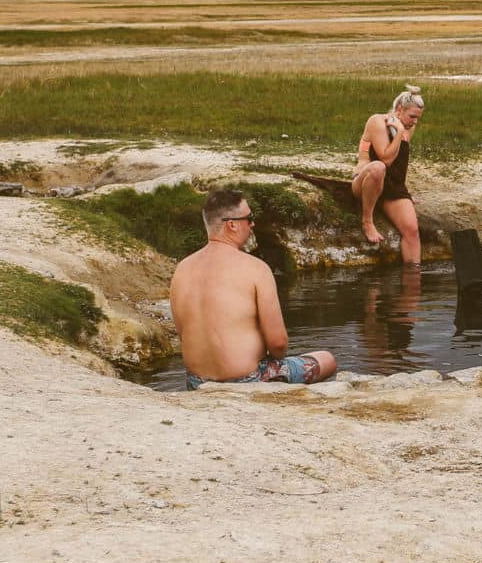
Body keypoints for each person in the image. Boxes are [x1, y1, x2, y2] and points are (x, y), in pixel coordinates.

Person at [169, 189, 337, 389]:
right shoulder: (256, 268)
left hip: (197, 382)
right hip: (248, 381)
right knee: (326, 359)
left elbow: (183, 335)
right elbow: (278, 345)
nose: (253, 224)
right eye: (249, 218)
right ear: (231, 224)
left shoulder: (182, 269)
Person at [352, 85, 425, 264]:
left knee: (412, 231)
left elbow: (400, 163)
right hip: (367, 181)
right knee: (378, 168)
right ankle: (367, 221)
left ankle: (412, 281)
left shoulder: (409, 126)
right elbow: (386, 160)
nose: (414, 122)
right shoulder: (377, 122)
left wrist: (406, 195)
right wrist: (399, 132)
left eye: (418, 118)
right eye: (412, 116)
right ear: (400, 109)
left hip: (392, 187)